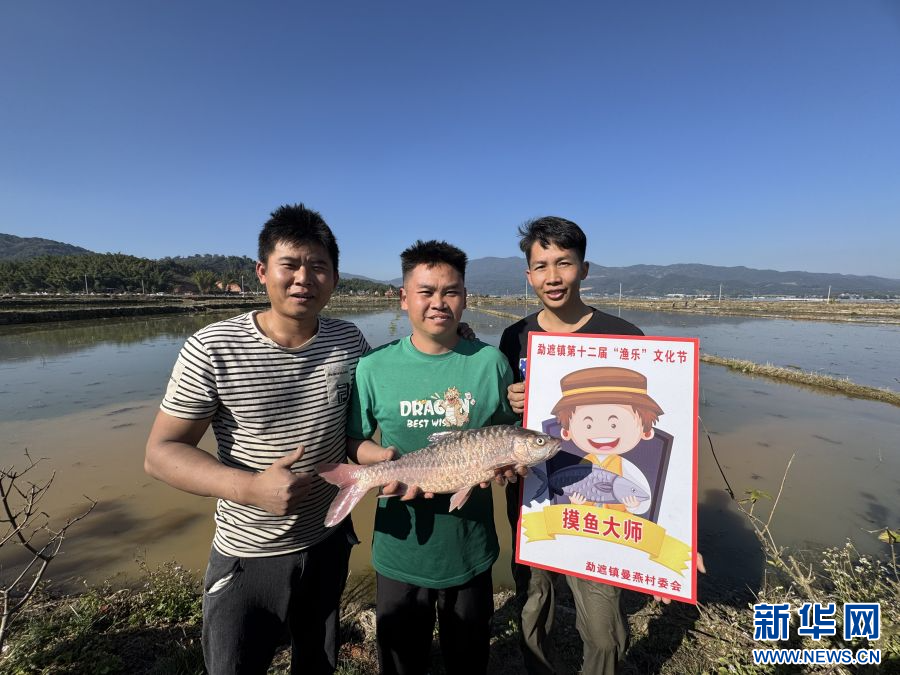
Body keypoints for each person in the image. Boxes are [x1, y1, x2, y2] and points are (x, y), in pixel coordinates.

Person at [144, 203, 382, 675]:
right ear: (262, 272)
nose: (303, 279)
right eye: (289, 265)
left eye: (318, 267)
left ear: (334, 277)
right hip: (247, 554)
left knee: (317, 664)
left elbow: (381, 397)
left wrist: (451, 338)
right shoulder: (213, 347)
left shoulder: (349, 341)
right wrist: (250, 488)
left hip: (328, 541)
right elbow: (161, 453)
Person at [345, 240, 517, 675]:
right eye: (426, 291)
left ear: (465, 297)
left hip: (470, 546)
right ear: (404, 298)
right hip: (400, 547)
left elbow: (507, 438)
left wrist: (506, 467)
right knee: (402, 663)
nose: (439, 302)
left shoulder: (491, 363)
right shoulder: (373, 367)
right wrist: (380, 461)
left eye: (451, 291)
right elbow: (355, 441)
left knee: (468, 661)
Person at [499, 216, 645, 675]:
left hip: (601, 498)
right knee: (533, 598)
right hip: (532, 492)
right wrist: (511, 401)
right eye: (541, 266)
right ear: (528, 275)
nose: (553, 276)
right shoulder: (514, 336)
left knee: (602, 621)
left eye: (564, 263)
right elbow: (502, 424)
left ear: (584, 268)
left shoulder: (624, 336)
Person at [550, 366, 662, 515]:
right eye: (588, 425)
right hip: (583, 521)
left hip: (618, 524)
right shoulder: (579, 464)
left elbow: (645, 499)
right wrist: (575, 503)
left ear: (646, 431)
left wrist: (634, 506)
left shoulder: (626, 467)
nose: (602, 433)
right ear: (566, 432)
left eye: (614, 425)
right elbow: (570, 486)